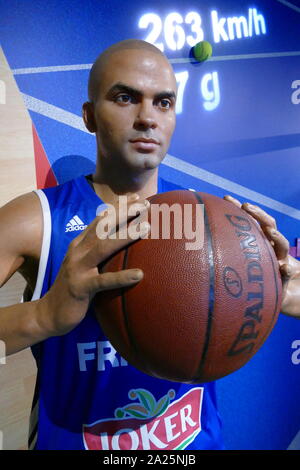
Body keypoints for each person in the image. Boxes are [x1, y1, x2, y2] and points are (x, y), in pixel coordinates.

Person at [0, 39, 299, 451]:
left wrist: (279, 291)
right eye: (125, 98)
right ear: (89, 116)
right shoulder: (39, 218)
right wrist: (44, 316)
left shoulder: (214, 223)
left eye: (163, 102)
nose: (147, 118)